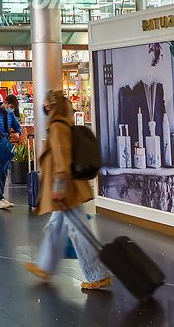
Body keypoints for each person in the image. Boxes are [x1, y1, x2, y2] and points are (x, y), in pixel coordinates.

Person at [25, 90, 112, 291]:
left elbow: (63, 161)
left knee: (79, 230)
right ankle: (45, 267)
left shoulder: (57, 127)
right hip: (68, 187)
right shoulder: (65, 123)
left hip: (66, 189)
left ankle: (98, 274)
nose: (45, 108)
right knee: (56, 227)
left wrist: (59, 188)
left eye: (47, 106)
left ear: (53, 107)